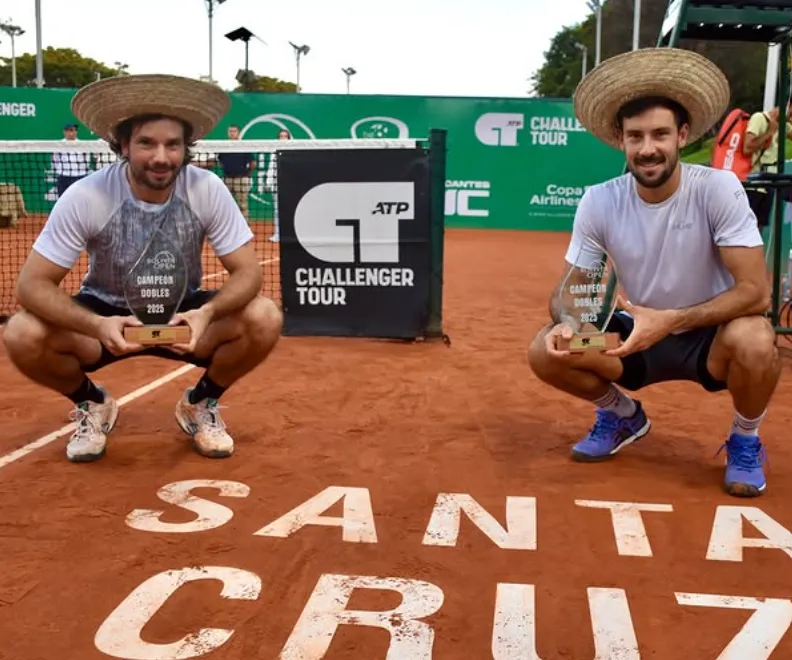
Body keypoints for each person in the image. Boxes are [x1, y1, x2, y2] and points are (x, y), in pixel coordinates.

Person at [527, 48, 780, 498]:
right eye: (635, 136)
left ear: (682, 135)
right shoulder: (599, 200)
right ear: (620, 140)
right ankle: (623, 415)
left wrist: (671, 320)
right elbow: (572, 289)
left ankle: (745, 439)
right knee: (547, 350)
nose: (648, 149)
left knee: (757, 338)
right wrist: (568, 322)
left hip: (711, 340)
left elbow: (756, 293)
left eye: (660, 134)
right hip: (633, 341)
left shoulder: (718, 189)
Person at [3, 74, 283, 463]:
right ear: (123, 145)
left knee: (265, 316)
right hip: (105, 316)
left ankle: (201, 403)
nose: (161, 157)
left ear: (186, 147)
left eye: (173, 144)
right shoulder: (86, 195)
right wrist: (97, 325)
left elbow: (249, 272)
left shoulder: (206, 188)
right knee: (21, 332)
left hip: (183, 316)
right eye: (147, 143)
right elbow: (32, 285)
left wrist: (206, 313)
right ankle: (91, 403)